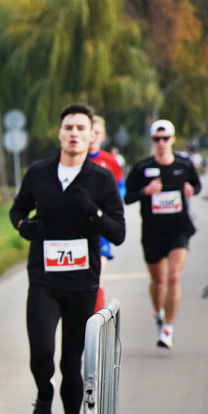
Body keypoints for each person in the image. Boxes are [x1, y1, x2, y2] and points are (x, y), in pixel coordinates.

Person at [10, 103, 125, 414]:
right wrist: (23, 227)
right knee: (42, 352)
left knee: (72, 362)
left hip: (82, 283)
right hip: (43, 279)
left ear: (92, 135)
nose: (74, 133)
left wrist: (93, 210)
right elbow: (17, 211)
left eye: (81, 128)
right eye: (68, 127)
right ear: (59, 134)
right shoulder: (39, 173)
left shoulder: (101, 180)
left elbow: (119, 233)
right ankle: (44, 393)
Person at [124, 119, 201, 349]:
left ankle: (167, 328)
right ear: (152, 141)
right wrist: (145, 191)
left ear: (173, 140)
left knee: (174, 276)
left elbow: (196, 185)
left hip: (179, 228)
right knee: (158, 283)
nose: (161, 143)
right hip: (152, 231)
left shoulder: (184, 165)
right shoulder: (141, 168)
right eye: (157, 139)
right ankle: (157, 310)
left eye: (165, 138)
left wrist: (191, 190)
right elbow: (127, 196)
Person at [89, 116, 126, 312]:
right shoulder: (72, 160)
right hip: (75, 229)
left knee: (97, 278)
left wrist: (109, 205)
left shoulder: (110, 162)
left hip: (101, 227)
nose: (92, 137)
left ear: (102, 136)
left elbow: (121, 189)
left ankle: (95, 330)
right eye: (89, 131)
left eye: (97, 133)